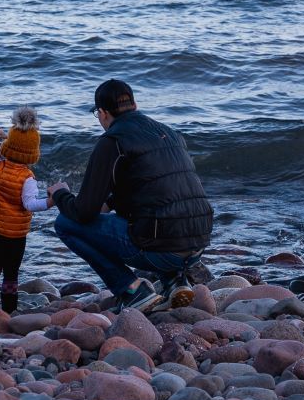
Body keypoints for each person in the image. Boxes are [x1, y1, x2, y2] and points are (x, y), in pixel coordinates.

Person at [48, 79, 213, 311]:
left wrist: (60, 194)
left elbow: (82, 212)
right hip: (198, 243)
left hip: (161, 249)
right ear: (134, 104)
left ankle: (131, 289)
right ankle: (175, 280)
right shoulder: (169, 133)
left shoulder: (112, 142)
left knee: (65, 223)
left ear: (103, 113)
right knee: (160, 218)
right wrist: (108, 203)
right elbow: (153, 188)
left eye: (98, 114)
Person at [0, 106, 49, 314]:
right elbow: (30, 204)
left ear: (8, 146)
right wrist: (51, 202)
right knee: (11, 273)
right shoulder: (28, 179)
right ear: (32, 153)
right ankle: (8, 311)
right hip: (16, 235)